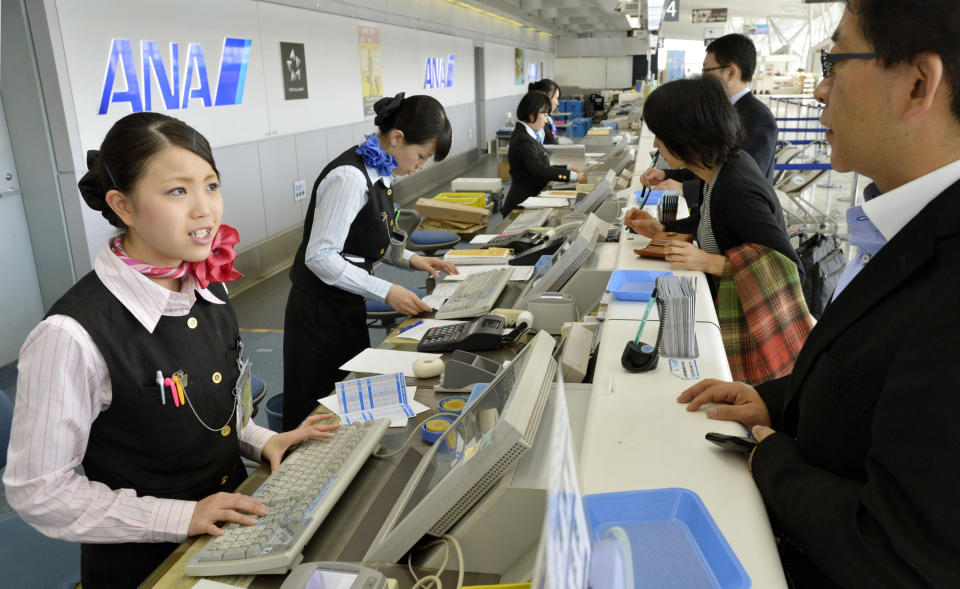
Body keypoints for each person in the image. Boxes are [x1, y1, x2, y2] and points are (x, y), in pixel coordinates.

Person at [677, 0, 960, 586]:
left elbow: (901, 553)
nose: (820, 92)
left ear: (917, 84)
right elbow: (877, 385)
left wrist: (771, 457)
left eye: (833, 64)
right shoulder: (897, 225)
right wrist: (776, 403)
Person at [2, 112, 339, 588]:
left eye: (211, 185)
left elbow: (213, 409)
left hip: (229, 533)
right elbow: (38, 491)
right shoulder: (71, 335)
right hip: (150, 567)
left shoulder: (205, 286)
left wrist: (262, 441)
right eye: (177, 191)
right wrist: (177, 518)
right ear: (123, 205)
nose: (205, 209)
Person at [283, 93, 457, 430]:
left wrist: (412, 260)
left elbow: (369, 239)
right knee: (320, 409)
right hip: (319, 316)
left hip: (345, 305)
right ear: (396, 138)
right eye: (420, 156)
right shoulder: (349, 178)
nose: (419, 166)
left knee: (347, 398)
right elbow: (320, 257)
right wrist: (387, 290)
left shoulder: (380, 172)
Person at [625, 76, 809, 384]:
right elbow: (710, 222)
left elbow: (789, 271)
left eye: (660, 135)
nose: (656, 144)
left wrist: (709, 262)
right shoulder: (720, 171)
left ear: (684, 137)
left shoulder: (737, 189)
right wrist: (661, 228)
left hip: (758, 353)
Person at [647, 34, 778, 208]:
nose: (703, 78)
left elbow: (743, 181)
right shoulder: (716, 112)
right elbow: (708, 165)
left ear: (731, 72)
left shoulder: (759, 119)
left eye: (707, 71)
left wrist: (685, 188)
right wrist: (667, 175)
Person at [502, 90, 586, 215]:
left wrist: (567, 168)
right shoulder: (523, 140)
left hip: (530, 198)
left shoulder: (529, 135)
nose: (547, 121)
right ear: (531, 115)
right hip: (521, 204)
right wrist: (573, 176)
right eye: (545, 115)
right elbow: (540, 170)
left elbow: (541, 165)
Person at [528, 78, 562, 144]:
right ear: (545, 96)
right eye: (556, 98)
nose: (557, 103)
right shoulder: (537, 122)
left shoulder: (548, 121)